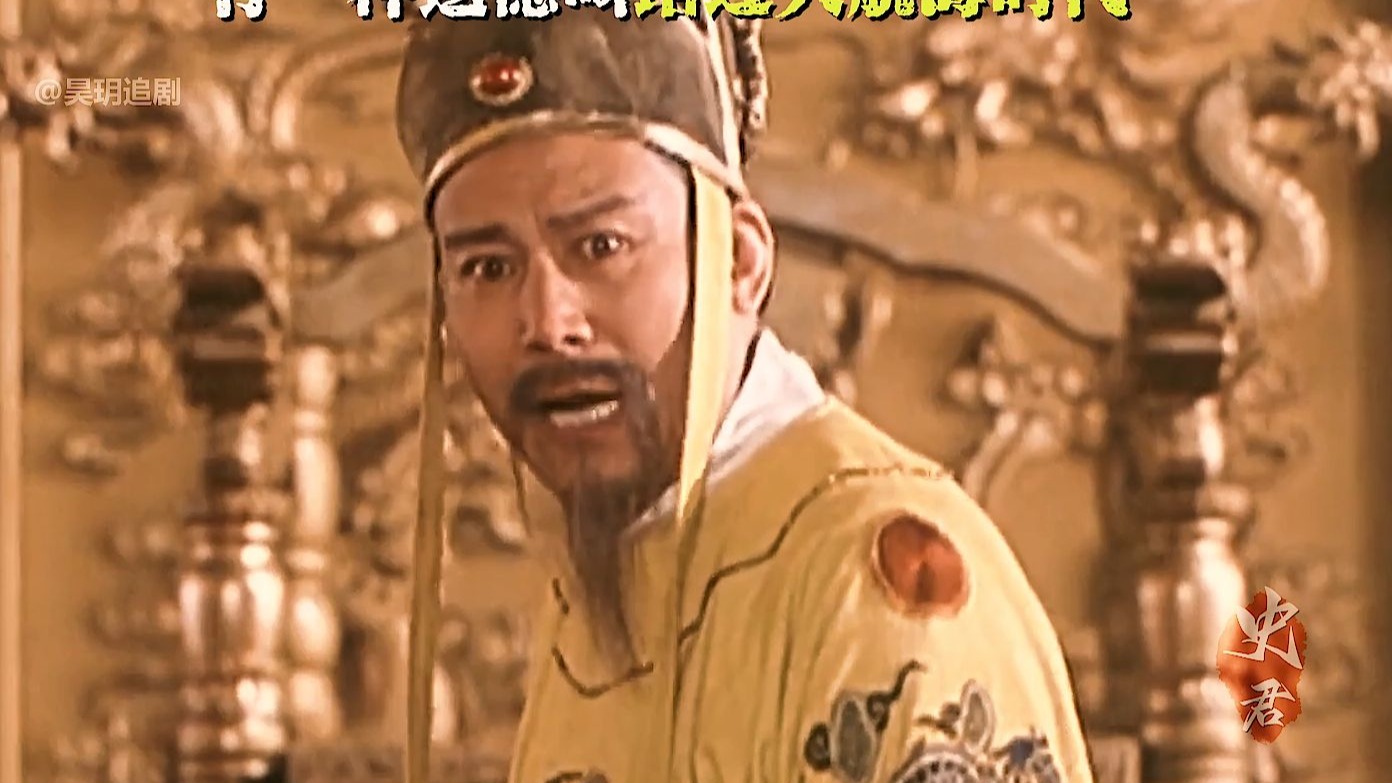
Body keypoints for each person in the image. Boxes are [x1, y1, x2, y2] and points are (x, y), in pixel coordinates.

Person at [394, 8, 1096, 783]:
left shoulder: (877, 578)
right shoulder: (609, 570)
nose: (548, 322)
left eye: (601, 246)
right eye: (488, 268)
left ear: (739, 262)